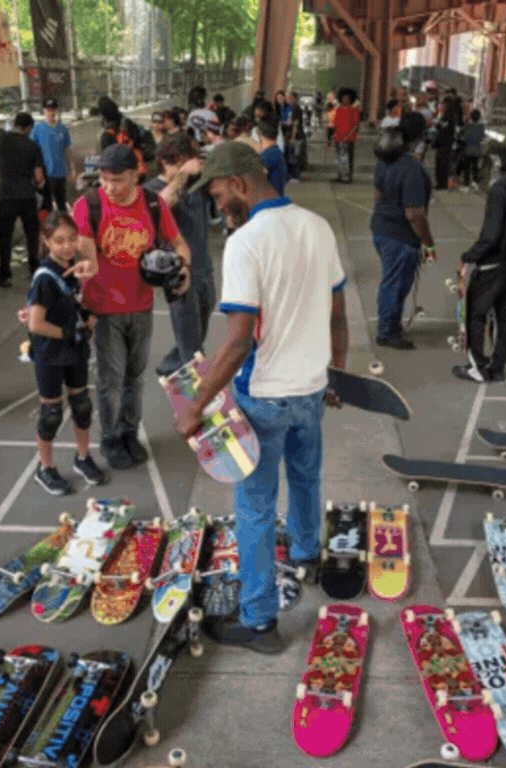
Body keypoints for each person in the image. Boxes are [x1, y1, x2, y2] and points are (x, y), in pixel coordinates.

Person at [176, 141, 349, 653]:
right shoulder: (317, 226)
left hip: (264, 394)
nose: (215, 199)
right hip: (311, 388)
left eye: (218, 189)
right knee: (305, 477)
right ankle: (306, 555)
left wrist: (195, 405)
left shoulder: (246, 242)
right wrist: (336, 372)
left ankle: (258, 622)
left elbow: (237, 340)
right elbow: (338, 314)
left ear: (242, 182)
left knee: (252, 509)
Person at [72, 144, 191, 470]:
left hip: (141, 305)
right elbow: (82, 250)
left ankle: (129, 433)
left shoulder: (152, 204)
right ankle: (111, 440)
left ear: (136, 175)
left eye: (118, 180)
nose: (110, 186)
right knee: (111, 380)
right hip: (105, 309)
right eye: (104, 178)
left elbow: (178, 242)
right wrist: (85, 263)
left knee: (135, 377)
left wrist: (184, 268)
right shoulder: (89, 205)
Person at [26, 211, 109, 495]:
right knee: (51, 414)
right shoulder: (45, 278)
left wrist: (89, 317)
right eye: (59, 240)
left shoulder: (73, 267)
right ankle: (45, 468)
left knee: (82, 405)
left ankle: (83, 458)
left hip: (74, 350)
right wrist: (69, 333)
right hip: (51, 353)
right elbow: (36, 323)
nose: (67, 245)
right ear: (46, 242)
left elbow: (74, 305)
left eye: (72, 239)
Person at [453, 130, 506, 383]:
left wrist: (470, 256)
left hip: (494, 261)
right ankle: (497, 366)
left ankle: (478, 366)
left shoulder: (500, 189)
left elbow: (491, 234)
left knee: (476, 313)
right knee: (504, 313)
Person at [144, 133, 217, 377]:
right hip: (181, 276)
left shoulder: (197, 185)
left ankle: (169, 368)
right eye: (183, 162)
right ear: (166, 162)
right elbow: (161, 205)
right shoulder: (152, 190)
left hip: (205, 270)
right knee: (192, 349)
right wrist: (184, 174)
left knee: (197, 333)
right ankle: (199, 405)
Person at [370, 122, 433, 350]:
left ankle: (389, 325)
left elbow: (378, 197)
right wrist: (429, 244)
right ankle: (387, 332)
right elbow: (414, 213)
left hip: (381, 230)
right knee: (395, 285)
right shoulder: (412, 169)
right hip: (400, 237)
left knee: (391, 281)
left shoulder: (382, 164)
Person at [0, 112, 46, 288]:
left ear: (15, 124)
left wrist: (2, 168)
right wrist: (40, 184)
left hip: (6, 195)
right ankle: (35, 270)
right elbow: (38, 177)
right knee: (31, 235)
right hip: (27, 195)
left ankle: (4, 275)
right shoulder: (33, 145)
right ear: (29, 127)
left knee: (4, 237)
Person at [31, 98, 74, 213]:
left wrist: (71, 169)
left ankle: (63, 228)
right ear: (44, 111)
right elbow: (32, 151)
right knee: (46, 205)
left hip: (60, 173)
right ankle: (47, 229)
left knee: (61, 204)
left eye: (53, 110)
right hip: (45, 173)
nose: (50, 113)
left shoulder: (63, 129)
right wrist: (35, 171)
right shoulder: (37, 129)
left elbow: (67, 150)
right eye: (48, 110)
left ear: (56, 110)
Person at [97, 97, 154, 181]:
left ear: (103, 115)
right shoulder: (128, 123)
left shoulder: (106, 135)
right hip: (138, 167)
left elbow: (108, 158)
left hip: (121, 174)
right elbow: (138, 142)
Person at [433, 95, 463, 190]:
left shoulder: (450, 118)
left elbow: (442, 128)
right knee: (439, 164)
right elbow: (438, 127)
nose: (441, 106)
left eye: (443, 104)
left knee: (443, 165)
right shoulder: (445, 117)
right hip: (442, 144)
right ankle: (440, 183)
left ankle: (442, 184)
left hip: (446, 144)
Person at [333, 88, 360, 183]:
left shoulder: (354, 110)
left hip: (349, 138)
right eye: (343, 97)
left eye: (347, 98)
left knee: (348, 158)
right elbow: (335, 124)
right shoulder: (338, 109)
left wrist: (348, 136)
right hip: (339, 138)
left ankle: (348, 177)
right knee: (340, 158)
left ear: (350, 99)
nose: (345, 99)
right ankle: (340, 175)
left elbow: (356, 124)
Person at [455, 109, 486, 191]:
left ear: (471, 117)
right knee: (475, 166)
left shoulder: (468, 126)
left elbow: (461, 135)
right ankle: (475, 181)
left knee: (467, 167)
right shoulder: (482, 127)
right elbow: (482, 137)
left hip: (468, 149)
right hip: (477, 149)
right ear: (479, 117)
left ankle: (466, 183)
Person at [257, 117, 289, 196]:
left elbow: (255, 178)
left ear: (261, 134)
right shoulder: (276, 152)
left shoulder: (268, 155)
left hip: (269, 201)